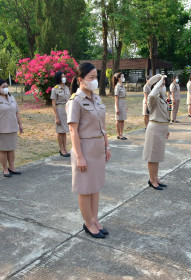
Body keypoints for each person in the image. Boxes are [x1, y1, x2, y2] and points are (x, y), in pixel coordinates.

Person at [66, 62, 111, 239]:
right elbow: (73, 131)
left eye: (95, 77)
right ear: (80, 80)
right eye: (91, 78)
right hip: (84, 148)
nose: (94, 81)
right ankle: (88, 223)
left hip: (98, 148)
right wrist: (79, 157)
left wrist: (107, 146)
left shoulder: (97, 98)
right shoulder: (75, 101)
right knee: (85, 188)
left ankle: (95, 219)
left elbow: (103, 126)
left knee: (95, 187)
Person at [0, 79, 23, 177]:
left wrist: (20, 124)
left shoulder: (11, 98)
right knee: (3, 149)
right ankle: (5, 169)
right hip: (1, 129)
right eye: (3, 87)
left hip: (12, 127)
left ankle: (12, 167)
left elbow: (17, 112)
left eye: (7, 86)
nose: (6, 88)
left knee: (11, 148)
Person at [142, 74, 170, 190]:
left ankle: (156, 178)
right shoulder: (152, 97)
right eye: (161, 84)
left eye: (163, 84)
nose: (163, 86)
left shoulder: (162, 97)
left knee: (157, 156)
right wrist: (160, 80)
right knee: (152, 156)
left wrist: (167, 129)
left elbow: (165, 115)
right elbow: (152, 93)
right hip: (154, 128)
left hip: (162, 128)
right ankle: (152, 180)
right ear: (156, 86)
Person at [51, 71, 71, 157]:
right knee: (60, 131)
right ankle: (61, 149)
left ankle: (65, 148)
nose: (64, 78)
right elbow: (53, 103)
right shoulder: (55, 89)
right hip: (60, 110)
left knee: (65, 131)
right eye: (62, 76)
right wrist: (56, 117)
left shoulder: (66, 88)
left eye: (64, 76)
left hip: (67, 109)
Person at [114, 72, 127, 140]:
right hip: (119, 103)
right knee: (118, 119)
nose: (123, 78)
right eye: (122, 77)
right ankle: (118, 134)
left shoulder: (123, 86)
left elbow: (124, 97)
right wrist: (117, 108)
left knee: (123, 119)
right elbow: (116, 98)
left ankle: (122, 133)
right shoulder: (117, 87)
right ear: (119, 78)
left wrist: (126, 106)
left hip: (123, 103)